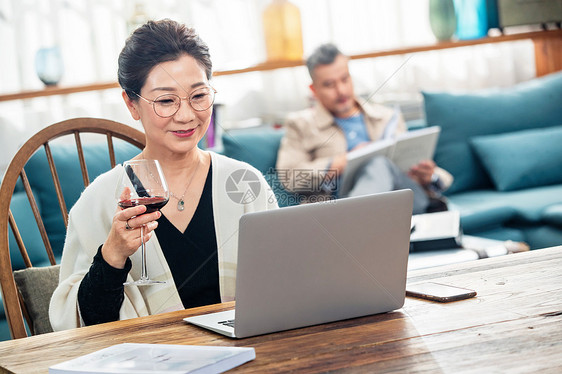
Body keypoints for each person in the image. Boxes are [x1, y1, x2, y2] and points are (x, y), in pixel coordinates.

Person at [49, 19, 277, 331]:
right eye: (166, 101)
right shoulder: (99, 201)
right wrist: (112, 254)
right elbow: (82, 326)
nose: (186, 116)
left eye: (198, 96)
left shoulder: (244, 183)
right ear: (131, 104)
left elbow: (284, 287)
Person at [276, 44, 452, 213]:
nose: (341, 90)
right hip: (339, 202)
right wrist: (343, 162)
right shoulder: (300, 124)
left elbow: (410, 167)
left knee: (380, 164)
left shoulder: (387, 117)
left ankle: (353, 222)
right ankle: (357, 219)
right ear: (313, 89)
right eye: (329, 85)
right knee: (377, 164)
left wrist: (429, 177)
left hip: (402, 199)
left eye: (345, 79)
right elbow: (290, 177)